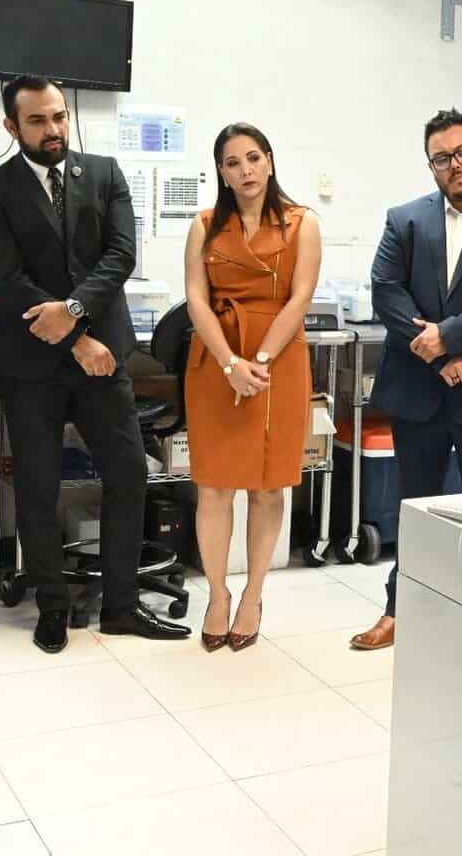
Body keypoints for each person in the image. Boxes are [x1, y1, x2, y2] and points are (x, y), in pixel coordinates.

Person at [0, 75, 189, 653]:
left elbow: (120, 255)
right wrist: (75, 340)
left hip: (103, 359)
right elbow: (8, 278)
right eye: (38, 120)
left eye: (59, 116)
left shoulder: (104, 173)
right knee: (38, 486)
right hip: (29, 364)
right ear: (11, 126)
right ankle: (51, 606)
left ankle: (121, 606)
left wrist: (72, 315)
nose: (53, 129)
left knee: (129, 474)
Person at [349, 109, 462, 651]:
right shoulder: (405, 220)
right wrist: (437, 357)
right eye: (442, 158)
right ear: (430, 165)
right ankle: (400, 610)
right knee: (417, 510)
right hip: (419, 387)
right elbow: (387, 292)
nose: (455, 164)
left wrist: (448, 338)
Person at [183, 124, 321, 652]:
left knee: (268, 486)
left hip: (278, 361)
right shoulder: (203, 226)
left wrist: (258, 361)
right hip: (217, 359)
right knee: (214, 486)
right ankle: (217, 595)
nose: (246, 170)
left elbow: (300, 297)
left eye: (254, 157)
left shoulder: (302, 223)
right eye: (233, 162)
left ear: (270, 160)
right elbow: (196, 300)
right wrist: (229, 364)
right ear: (221, 172)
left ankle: (253, 595)